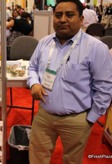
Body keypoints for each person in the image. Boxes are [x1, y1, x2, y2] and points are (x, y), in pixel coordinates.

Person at [27, 0, 112, 163]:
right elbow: (32, 67)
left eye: (69, 15)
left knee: (72, 160)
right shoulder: (45, 42)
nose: (63, 19)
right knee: (37, 156)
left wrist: (90, 119)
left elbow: (105, 87)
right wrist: (34, 83)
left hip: (76, 118)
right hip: (44, 114)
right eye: (58, 15)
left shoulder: (95, 48)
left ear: (81, 20)